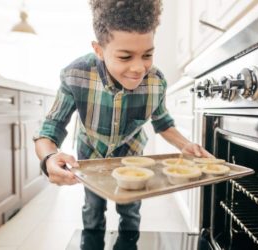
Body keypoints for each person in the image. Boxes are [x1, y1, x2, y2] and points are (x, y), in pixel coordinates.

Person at [34, 0, 212, 236]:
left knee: (130, 211)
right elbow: (51, 128)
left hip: (132, 156)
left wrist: (186, 145)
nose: (139, 68)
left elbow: (163, 123)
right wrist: (49, 157)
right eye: (125, 57)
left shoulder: (156, 82)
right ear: (99, 50)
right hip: (91, 156)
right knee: (93, 209)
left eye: (147, 54)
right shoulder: (75, 75)